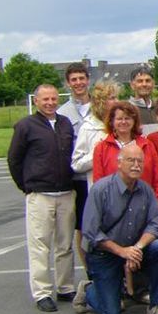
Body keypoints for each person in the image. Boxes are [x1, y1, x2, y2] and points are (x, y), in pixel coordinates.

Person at [74, 143, 158, 314]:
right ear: (119, 163)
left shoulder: (146, 190)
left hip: (134, 250)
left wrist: (137, 248)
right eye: (130, 160)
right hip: (105, 253)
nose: (136, 165)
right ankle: (89, 289)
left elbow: (155, 224)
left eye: (140, 161)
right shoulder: (100, 190)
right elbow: (90, 232)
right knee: (111, 313)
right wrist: (121, 251)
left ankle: (157, 305)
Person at [8, 84, 76, 312]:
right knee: (40, 245)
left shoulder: (65, 123)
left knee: (65, 244)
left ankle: (65, 287)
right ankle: (42, 292)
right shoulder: (26, 126)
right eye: (45, 99)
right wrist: (26, 185)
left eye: (53, 98)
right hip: (40, 194)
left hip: (66, 193)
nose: (50, 103)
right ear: (36, 101)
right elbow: (14, 159)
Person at [92, 101, 158, 205]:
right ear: (112, 121)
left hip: (144, 205)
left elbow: (157, 180)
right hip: (113, 207)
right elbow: (98, 183)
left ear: (134, 121)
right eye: (119, 119)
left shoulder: (147, 145)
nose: (123, 122)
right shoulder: (101, 148)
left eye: (127, 118)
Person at [57, 62, 93, 263]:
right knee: (82, 226)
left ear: (88, 80)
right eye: (74, 80)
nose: (78, 83)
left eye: (82, 78)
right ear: (68, 84)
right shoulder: (62, 113)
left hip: (101, 175)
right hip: (78, 178)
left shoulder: (100, 106)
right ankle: (90, 273)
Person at [71, 80, 119, 189]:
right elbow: (76, 165)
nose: (117, 101)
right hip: (99, 189)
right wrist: (96, 153)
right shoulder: (88, 128)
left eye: (117, 97)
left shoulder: (121, 125)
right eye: (112, 98)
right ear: (100, 101)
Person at [128, 65, 158, 132]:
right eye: (140, 81)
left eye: (148, 81)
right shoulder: (127, 109)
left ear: (153, 84)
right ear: (132, 85)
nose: (144, 84)